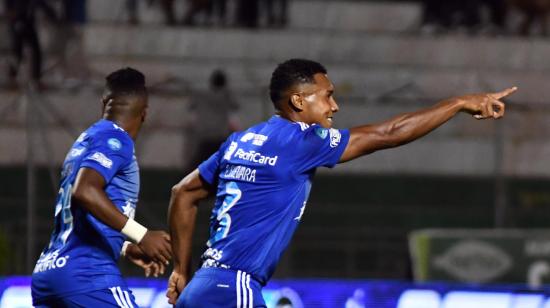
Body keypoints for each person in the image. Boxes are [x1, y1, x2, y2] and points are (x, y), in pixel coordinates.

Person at [165, 59, 516, 307]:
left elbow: (182, 193)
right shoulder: (301, 141)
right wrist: (457, 103)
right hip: (234, 289)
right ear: (299, 101)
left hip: (203, 285)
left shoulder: (242, 140)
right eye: (327, 95)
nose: (335, 105)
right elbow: (387, 134)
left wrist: (181, 271)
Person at [31, 68, 172, 307]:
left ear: (104, 103)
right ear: (145, 113)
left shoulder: (86, 140)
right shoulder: (115, 140)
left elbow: (83, 213)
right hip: (87, 275)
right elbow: (85, 191)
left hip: (50, 273)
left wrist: (125, 247)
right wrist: (142, 235)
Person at [185, 69, 239, 172]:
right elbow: (236, 106)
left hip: (205, 138)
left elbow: (190, 107)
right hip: (220, 138)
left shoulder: (202, 95)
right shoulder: (227, 96)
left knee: (196, 170)